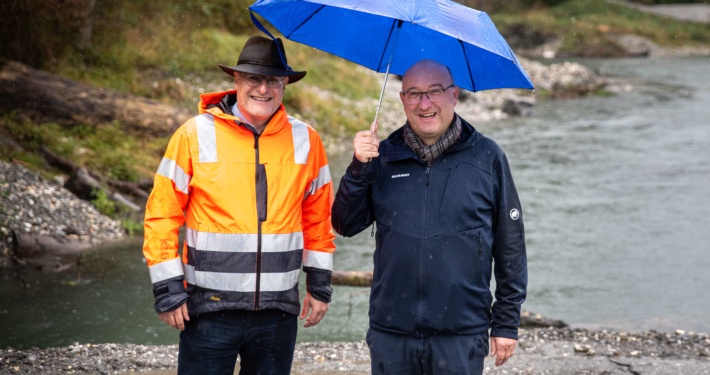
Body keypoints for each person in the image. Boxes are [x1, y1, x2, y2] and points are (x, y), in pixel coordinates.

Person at [142, 36, 336, 375]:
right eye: (254, 79)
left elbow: (318, 219)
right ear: (236, 80)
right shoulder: (193, 135)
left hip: (278, 314)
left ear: (285, 84)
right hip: (208, 311)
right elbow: (162, 214)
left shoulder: (307, 140)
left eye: (273, 80)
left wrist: (319, 286)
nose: (263, 89)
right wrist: (167, 289)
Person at [332, 59, 527, 374]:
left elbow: (511, 246)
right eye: (414, 94)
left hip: (461, 333)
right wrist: (358, 166)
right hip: (390, 332)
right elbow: (344, 224)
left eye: (434, 92)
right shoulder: (381, 157)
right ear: (402, 99)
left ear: (454, 95)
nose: (424, 104)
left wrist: (506, 323)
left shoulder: (488, 157)